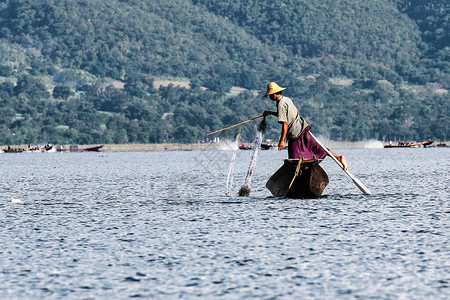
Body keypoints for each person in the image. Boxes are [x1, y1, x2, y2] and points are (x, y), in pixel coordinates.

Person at [262, 82, 348, 170]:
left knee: (294, 158)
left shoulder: (281, 104)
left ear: (275, 94)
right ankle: (338, 157)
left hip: (295, 133)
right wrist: (271, 113)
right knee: (318, 147)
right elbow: (285, 115)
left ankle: (297, 176)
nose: (270, 97)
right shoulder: (286, 99)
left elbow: (285, 123)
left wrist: (282, 141)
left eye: (270, 95)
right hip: (302, 127)